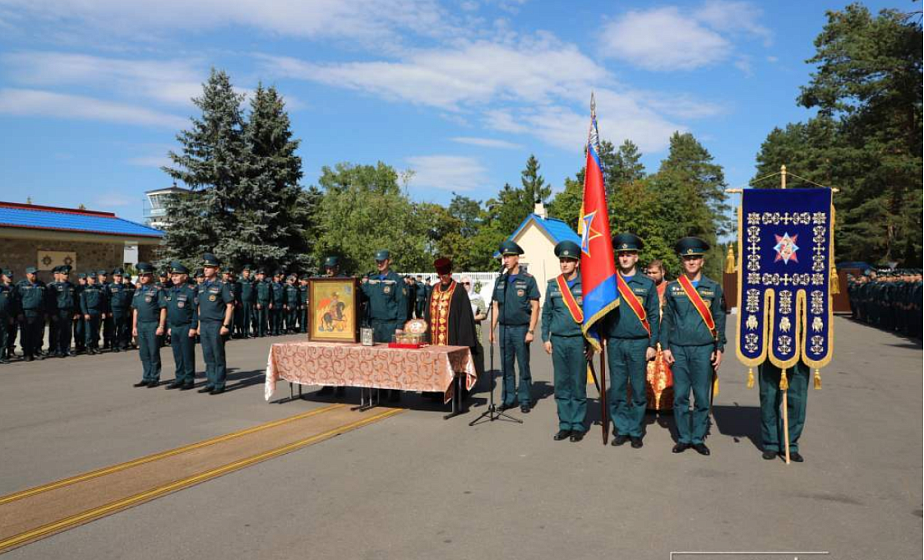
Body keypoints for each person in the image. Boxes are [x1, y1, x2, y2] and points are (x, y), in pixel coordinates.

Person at [661, 237, 727, 456]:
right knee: (680, 396)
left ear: (702, 261)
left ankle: (697, 437)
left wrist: (720, 348)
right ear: (682, 261)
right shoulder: (673, 288)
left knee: (700, 396)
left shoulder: (713, 288)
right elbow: (667, 319)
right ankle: (683, 437)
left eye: (695, 258)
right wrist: (666, 347)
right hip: (678, 348)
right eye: (687, 258)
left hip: (703, 349)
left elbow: (719, 319)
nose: (691, 262)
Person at [604, 234, 660, 448]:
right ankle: (621, 428)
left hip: (639, 343)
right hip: (615, 342)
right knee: (617, 389)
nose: (625, 257)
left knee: (637, 390)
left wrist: (652, 344)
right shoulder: (609, 282)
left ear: (637, 257)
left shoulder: (646, 284)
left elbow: (654, 316)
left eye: (629, 254)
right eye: (622, 254)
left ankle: (635, 430)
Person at [541, 241, 590, 442]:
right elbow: (547, 313)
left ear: (577, 263)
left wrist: (592, 343)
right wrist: (545, 337)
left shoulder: (586, 284)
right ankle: (565, 424)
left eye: (569, 260)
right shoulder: (553, 284)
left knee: (577, 383)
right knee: (561, 384)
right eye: (562, 260)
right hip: (559, 340)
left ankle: (577, 425)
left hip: (579, 341)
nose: (565, 264)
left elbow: (593, 315)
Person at [490, 240, 540, 413]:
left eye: (509, 256)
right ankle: (508, 398)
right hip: (504, 329)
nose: (506, 259)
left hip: (521, 329)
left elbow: (535, 307)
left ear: (517, 258)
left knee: (523, 365)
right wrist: (492, 330)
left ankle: (525, 399)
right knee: (506, 366)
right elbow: (496, 306)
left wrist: (531, 330)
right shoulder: (500, 280)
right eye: (504, 256)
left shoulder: (527, 280)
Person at [360, 249, 409, 402]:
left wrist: (400, 326)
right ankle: (377, 391)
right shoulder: (372, 280)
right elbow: (361, 296)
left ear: (389, 261)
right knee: (375, 360)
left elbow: (402, 304)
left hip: (390, 325)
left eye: (382, 261)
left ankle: (393, 390)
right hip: (375, 325)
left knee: (392, 360)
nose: (379, 264)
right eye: (377, 261)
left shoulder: (396, 280)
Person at [197, 253, 234, 395]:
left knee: (218, 355)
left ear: (216, 269)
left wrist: (225, 325)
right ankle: (210, 382)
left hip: (216, 324)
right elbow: (199, 306)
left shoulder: (221, 285)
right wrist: (199, 325)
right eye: (205, 267)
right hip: (205, 324)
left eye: (209, 267)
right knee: (208, 355)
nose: (206, 269)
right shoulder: (201, 286)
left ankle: (219, 383)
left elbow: (230, 306)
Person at [644, 259, 674, 412]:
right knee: (647, 370)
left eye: (654, 272)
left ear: (663, 272)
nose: (651, 275)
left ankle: (666, 404)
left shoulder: (671, 288)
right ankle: (648, 403)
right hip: (648, 333)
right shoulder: (644, 287)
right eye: (648, 272)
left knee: (665, 370)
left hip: (666, 334)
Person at [131, 263, 166, 387]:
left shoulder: (157, 290)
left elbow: (163, 308)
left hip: (152, 325)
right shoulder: (138, 291)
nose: (142, 277)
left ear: (151, 275)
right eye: (140, 275)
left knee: (153, 352)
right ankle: (146, 376)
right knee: (144, 353)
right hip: (141, 325)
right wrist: (134, 327)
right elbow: (135, 309)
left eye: (145, 275)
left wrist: (161, 326)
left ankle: (154, 377)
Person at [165, 263, 199, 391]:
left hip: (186, 326)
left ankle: (189, 379)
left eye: (177, 275)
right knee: (177, 354)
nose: (174, 277)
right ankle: (179, 378)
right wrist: (169, 326)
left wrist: (193, 327)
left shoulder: (190, 290)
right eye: (173, 275)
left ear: (185, 277)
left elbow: (196, 310)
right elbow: (170, 310)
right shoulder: (171, 291)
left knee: (187, 354)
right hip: (174, 327)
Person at [16, 267, 47, 361]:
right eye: (32, 273)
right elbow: (17, 300)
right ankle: (27, 353)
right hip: (26, 313)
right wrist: (19, 313)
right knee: (26, 334)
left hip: (39, 313)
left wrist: (45, 312)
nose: (34, 275)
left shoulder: (41, 284)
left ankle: (35, 351)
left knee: (37, 334)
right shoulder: (21, 285)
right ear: (27, 274)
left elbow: (46, 299)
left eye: (35, 273)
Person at [461, 275, 487, 382]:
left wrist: (472, 318)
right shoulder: (458, 299)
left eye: (467, 283)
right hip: (461, 331)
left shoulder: (477, 298)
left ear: (471, 285)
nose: (464, 286)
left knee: (473, 354)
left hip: (474, 329)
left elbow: (484, 314)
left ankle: (472, 377)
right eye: (461, 284)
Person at [49, 266, 78, 358]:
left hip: (69, 311)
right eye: (64, 274)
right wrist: (53, 314)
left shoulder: (71, 286)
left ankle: (67, 349)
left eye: (67, 274)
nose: (66, 275)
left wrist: (75, 312)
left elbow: (75, 300)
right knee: (59, 332)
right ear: (60, 274)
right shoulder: (54, 286)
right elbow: (51, 302)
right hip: (59, 312)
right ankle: (59, 350)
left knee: (68, 332)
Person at [80, 271, 108, 355]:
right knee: (89, 331)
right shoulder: (84, 289)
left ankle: (95, 346)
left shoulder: (99, 288)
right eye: (92, 278)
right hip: (89, 311)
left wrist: (103, 312)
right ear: (88, 279)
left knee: (96, 330)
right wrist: (85, 313)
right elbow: (82, 303)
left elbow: (103, 302)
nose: (93, 280)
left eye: (94, 278)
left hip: (98, 311)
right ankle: (89, 347)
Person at [108, 268, 133, 352]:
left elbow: (127, 299)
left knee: (122, 328)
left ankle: (120, 345)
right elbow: (107, 300)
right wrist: (109, 311)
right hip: (114, 310)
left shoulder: (124, 286)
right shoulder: (110, 287)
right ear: (113, 277)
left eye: (120, 276)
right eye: (117, 276)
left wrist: (128, 310)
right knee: (113, 328)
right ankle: (113, 346)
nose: (119, 277)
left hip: (123, 310)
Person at [0, 269, 17, 363]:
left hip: (7, 316)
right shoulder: (1, 287)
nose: (10, 278)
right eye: (8, 276)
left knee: (5, 336)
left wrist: (12, 316)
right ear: (3, 277)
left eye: (11, 276)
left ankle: (4, 355)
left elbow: (13, 303)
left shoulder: (13, 288)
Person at [236, 265, 255, 339]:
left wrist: (253, 302)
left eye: (248, 272)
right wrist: (239, 302)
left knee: (248, 318)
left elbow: (252, 293)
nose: (247, 273)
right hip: (243, 302)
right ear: (243, 272)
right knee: (243, 318)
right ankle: (243, 333)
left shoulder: (250, 281)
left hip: (249, 302)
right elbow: (237, 293)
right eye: (246, 272)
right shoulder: (239, 282)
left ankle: (247, 332)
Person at [254, 269, 270, 338]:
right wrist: (257, 302)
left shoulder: (267, 283)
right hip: (260, 302)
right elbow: (255, 294)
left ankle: (265, 332)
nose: (262, 276)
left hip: (266, 302)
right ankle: (259, 332)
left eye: (263, 274)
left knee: (266, 318)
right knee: (260, 319)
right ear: (258, 275)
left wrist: (271, 302)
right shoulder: (256, 284)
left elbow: (270, 294)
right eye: (261, 274)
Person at [270, 270, 285, 336]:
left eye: (278, 277)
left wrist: (284, 303)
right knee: (274, 318)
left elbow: (284, 295)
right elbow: (270, 295)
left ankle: (279, 330)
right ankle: (273, 330)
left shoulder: (281, 285)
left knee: (280, 318)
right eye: (276, 277)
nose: (278, 278)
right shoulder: (271, 285)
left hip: (280, 303)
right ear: (274, 277)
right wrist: (271, 303)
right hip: (274, 303)